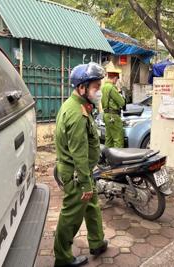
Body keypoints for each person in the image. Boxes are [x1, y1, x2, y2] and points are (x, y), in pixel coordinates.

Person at [54, 63, 108, 267]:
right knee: (71, 216)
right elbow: (78, 154)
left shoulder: (77, 106)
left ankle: (96, 242)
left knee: (92, 206)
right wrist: (85, 183)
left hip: (84, 172)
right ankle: (62, 258)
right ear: (82, 88)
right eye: (95, 86)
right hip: (77, 174)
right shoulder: (77, 114)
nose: (99, 91)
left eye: (99, 86)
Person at [101, 69, 126, 148]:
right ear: (115, 78)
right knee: (118, 140)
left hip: (106, 115)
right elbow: (122, 103)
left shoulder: (103, 87)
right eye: (117, 79)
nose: (116, 81)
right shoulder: (112, 88)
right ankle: (117, 159)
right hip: (113, 116)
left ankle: (107, 159)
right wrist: (121, 96)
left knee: (109, 139)